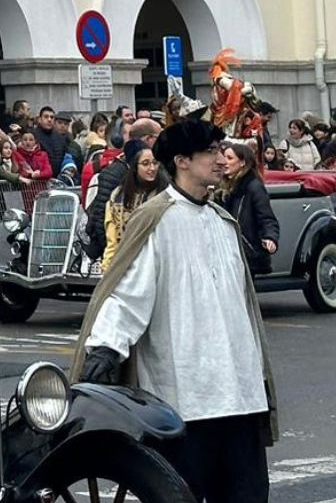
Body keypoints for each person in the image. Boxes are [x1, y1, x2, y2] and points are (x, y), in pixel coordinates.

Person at [72, 120, 276, 502]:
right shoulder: (156, 220)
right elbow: (127, 298)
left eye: (222, 151)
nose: (221, 159)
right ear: (182, 160)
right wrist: (103, 349)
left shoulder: (223, 222)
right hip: (185, 400)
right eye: (212, 152)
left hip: (240, 396)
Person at [100, 141, 168, 272]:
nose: (152, 168)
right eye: (146, 164)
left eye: (155, 163)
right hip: (126, 266)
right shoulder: (117, 196)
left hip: (158, 266)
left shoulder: (166, 195)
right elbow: (112, 241)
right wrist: (107, 269)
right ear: (135, 167)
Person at [220, 142, 279, 276]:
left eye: (230, 158)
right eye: (224, 158)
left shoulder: (253, 187)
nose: (224, 162)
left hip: (246, 252)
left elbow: (266, 217)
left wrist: (270, 238)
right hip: (228, 250)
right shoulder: (223, 188)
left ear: (242, 162)